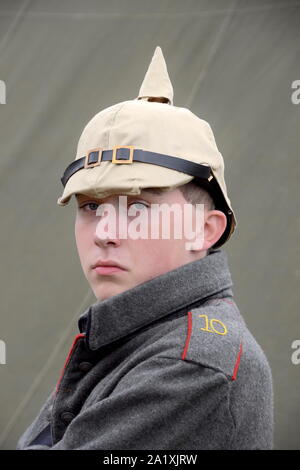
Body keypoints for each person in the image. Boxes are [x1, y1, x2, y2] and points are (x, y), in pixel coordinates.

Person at [17, 47, 273, 450]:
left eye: (138, 206)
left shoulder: (194, 365)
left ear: (204, 230)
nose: (105, 231)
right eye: (91, 206)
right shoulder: (133, 335)